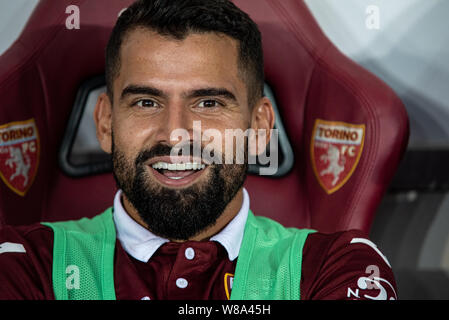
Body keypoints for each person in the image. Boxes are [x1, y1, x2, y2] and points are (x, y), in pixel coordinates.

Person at [0, 0, 397, 300]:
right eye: (146, 102)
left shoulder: (337, 266)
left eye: (208, 103)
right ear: (105, 123)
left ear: (259, 128)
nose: (175, 134)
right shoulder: (25, 264)